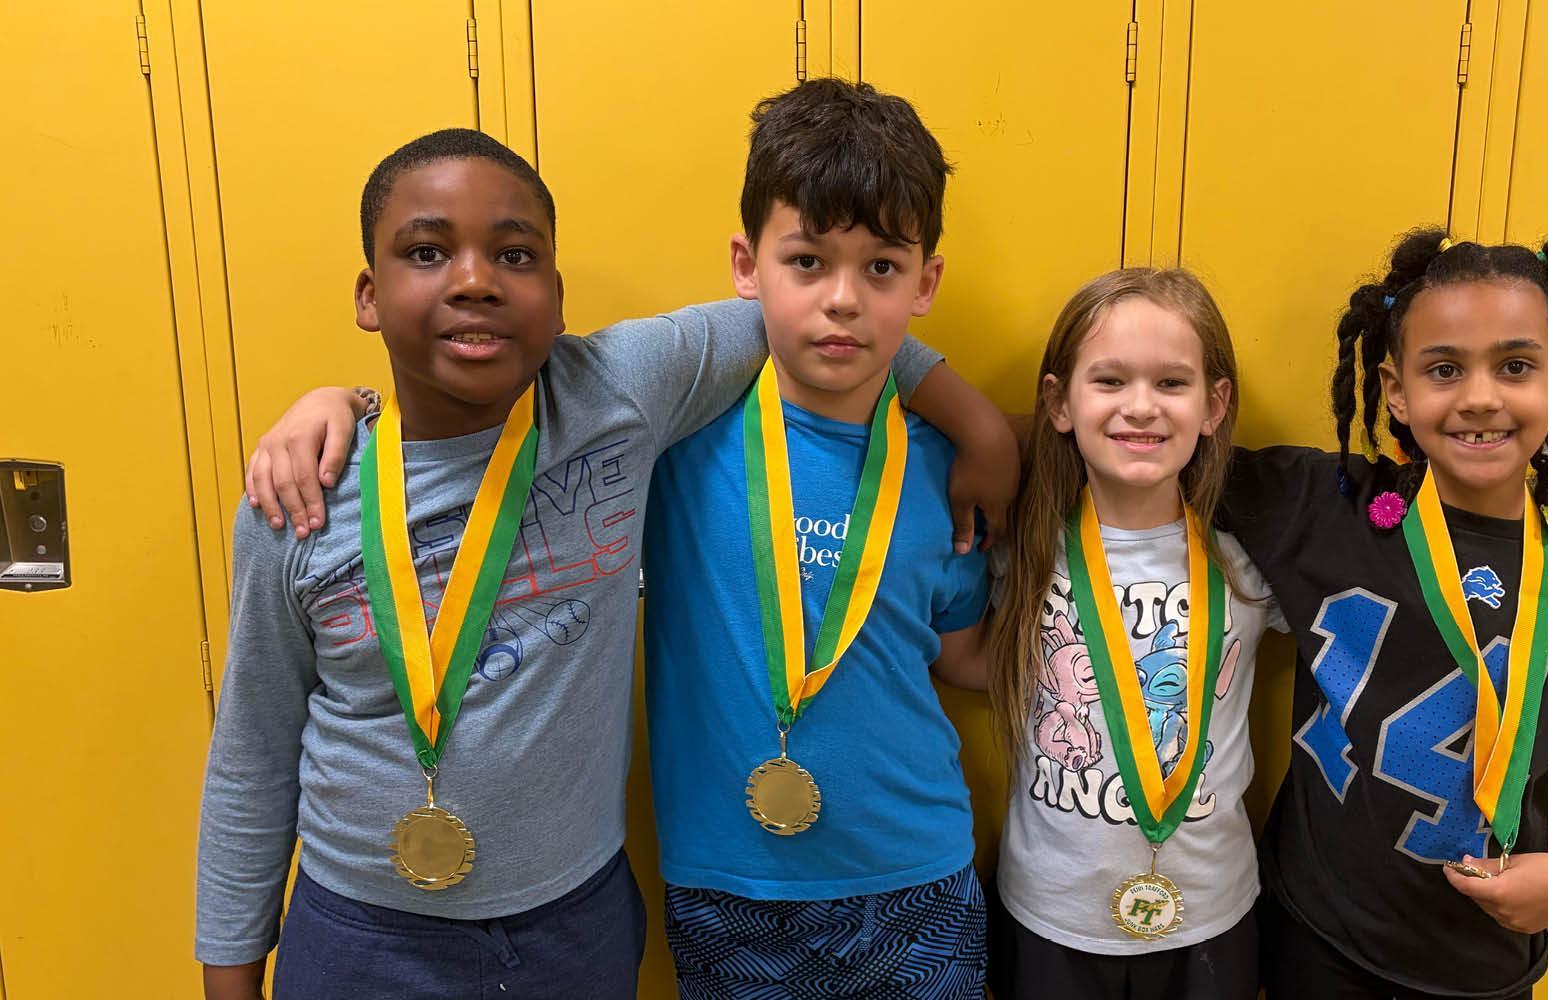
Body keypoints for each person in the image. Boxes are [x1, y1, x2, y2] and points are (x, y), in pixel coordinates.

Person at [196, 126, 1007, 1000]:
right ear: (368, 293)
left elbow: (824, 311)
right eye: (427, 251)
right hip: (361, 929)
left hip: (572, 926)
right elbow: (251, 757)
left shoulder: (617, 399)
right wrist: (229, 974)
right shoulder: (296, 499)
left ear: (556, 293)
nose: (473, 280)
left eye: (513, 255)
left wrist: (983, 424)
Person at [1221, 231, 1548, 999]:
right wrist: (981, 442)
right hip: (1313, 940)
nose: (1479, 396)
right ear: (1396, 391)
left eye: (1515, 366)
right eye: (1444, 369)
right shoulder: (1321, 505)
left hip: (1485, 962)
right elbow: (1141, 451)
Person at [641, 78, 992, 998]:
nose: (843, 300)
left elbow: (960, 656)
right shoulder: (674, 444)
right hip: (727, 885)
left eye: (881, 267)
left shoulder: (948, 463)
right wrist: (345, 406)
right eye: (807, 262)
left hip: (915, 879)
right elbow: (514, 405)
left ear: (927, 283)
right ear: (745, 265)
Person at [984, 268, 1281, 999]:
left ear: (1215, 406)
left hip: (1211, 913)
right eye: (1109, 381)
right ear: (1060, 401)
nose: (1140, 408)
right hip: (1051, 911)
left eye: (1172, 384)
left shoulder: (1250, 556)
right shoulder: (1021, 542)